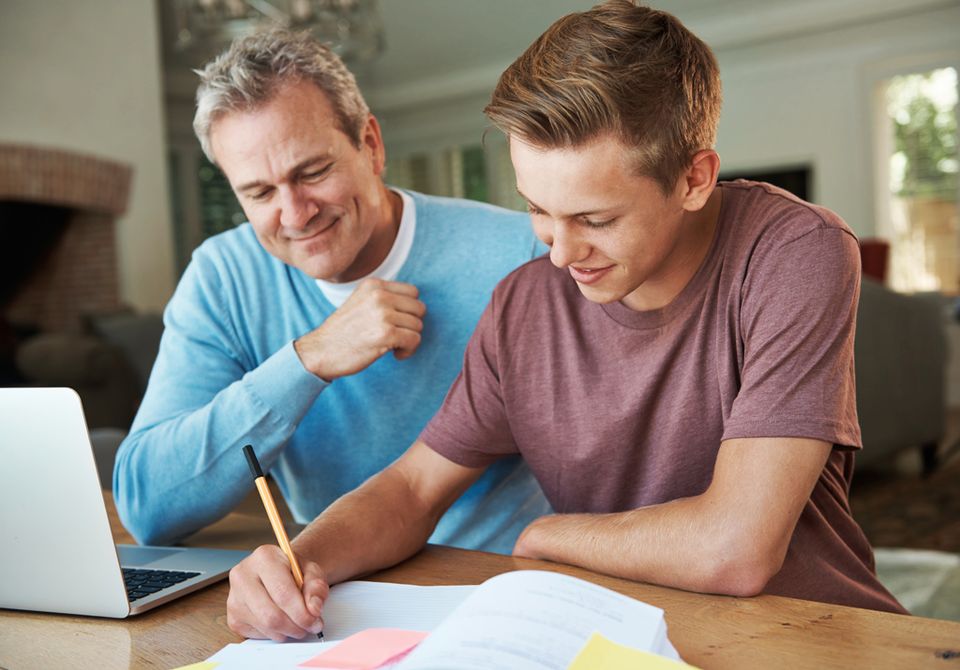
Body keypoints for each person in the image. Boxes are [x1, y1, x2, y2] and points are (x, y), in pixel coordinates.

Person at [225, 1, 906, 641]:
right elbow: (411, 488)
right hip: (618, 637)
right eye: (538, 209)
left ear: (695, 179)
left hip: (812, 635)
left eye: (596, 219)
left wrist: (550, 536)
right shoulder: (524, 303)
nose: (559, 251)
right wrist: (297, 563)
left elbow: (737, 549)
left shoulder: (795, 251)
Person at [112, 29, 552, 555]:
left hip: (495, 578)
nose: (295, 214)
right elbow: (147, 508)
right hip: (332, 581)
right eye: (259, 192)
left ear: (371, 145)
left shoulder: (520, 250)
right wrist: (307, 360)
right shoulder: (222, 277)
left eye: (313, 172)